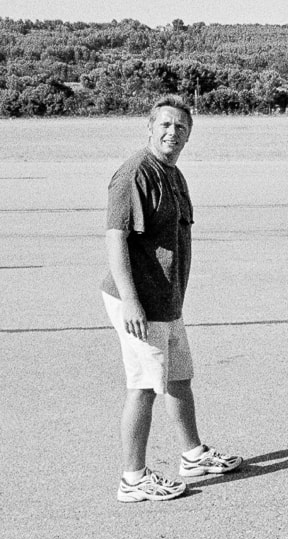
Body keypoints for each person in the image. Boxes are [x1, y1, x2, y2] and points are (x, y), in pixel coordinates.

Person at [101, 95, 243, 501]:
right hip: (139, 301)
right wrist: (131, 301)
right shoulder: (134, 174)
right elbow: (115, 240)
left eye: (180, 128)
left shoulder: (174, 174)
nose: (172, 133)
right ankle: (133, 478)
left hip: (166, 300)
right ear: (150, 127)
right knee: (143, 386)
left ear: (188, 136)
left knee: (179, 376)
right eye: (165, 125)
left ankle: (193, 455)